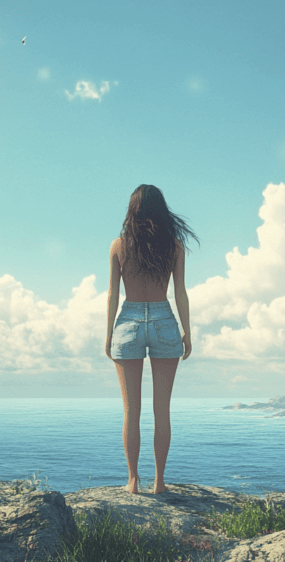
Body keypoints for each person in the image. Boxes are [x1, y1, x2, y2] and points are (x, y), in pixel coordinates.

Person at [105, 184, 199, 495]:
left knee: (131, 409)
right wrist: (187, 331)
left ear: (132, 211)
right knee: (162, 408)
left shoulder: (118, 246)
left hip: (128, 321)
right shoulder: (173, 246)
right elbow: (180, 293)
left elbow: (113, 295)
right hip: (163, 320)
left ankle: (132, 481)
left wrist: (109, 336)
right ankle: (159, 482)